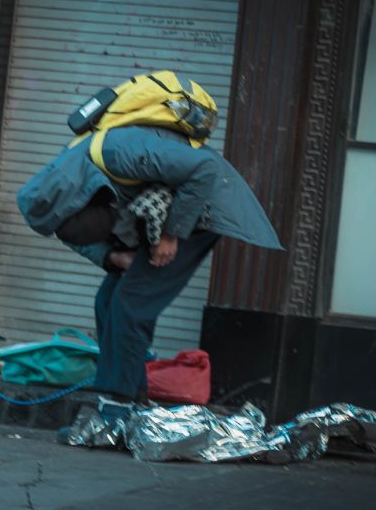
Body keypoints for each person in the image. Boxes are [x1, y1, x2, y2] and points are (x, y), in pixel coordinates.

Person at [16, 75, 282, 422]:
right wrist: (113, 256)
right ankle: (130, 398)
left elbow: (202, 170)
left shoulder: (116, 152)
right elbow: (78, 231)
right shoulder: (70, 181)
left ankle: (118, 407)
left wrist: (172, 235)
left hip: (198, 211)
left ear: (84, 201)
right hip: (165, 211)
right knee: (108, 300)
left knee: (130, 305)